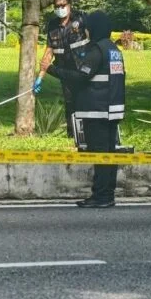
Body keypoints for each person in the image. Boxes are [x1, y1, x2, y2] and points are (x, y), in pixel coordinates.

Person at [44, 11, 125, 208]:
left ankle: (101, 196)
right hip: (112, 109)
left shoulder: (97, 50)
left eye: (87, 28)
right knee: (109, 155)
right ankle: (107, 194)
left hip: (97, 110)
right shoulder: (114, 50)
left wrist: (51, 69)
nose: (85, 31)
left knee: (101, 156)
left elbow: (81, 76)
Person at [33, 0, 89, 137]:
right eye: (56, 6)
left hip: (82, 68)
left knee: (84, 100)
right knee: (69, 102)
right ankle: (72, 134)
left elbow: (92, 39)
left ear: (69, 5)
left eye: (62, 5)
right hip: (64, 70)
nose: (60, 9)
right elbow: (49, 50)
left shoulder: (81, 18)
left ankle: (86, 133)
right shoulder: (53, 25)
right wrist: (40, 77)